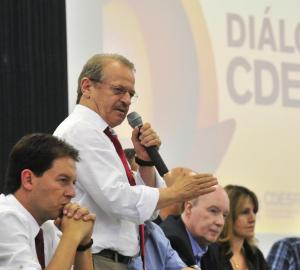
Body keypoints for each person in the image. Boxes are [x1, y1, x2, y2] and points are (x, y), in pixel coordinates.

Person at [54, 53, 217, 270]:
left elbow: (148, 212)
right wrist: (176, 192)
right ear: (87, 87)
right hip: (97, 259)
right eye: (118, 90)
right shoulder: (80, 130)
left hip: (120, 261)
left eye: (131, 94)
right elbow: (116, 199)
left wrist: (145, 160)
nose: (127, 100)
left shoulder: (102, 134)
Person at [0, 133, 96, 270]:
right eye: (63, 180)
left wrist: (83, 244)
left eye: (73, 183)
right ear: (28, 180)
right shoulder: (4, 218)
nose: (72, 193)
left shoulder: (47, 228)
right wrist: (71, 236)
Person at [160, 185, 230, 270]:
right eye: (213, 211)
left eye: (224, 215)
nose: (220, 222)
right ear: (189, 208)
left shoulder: (214, 250)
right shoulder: (169, 240)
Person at [213, 185, 268, 270]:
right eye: (245, 212)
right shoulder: (211, 253)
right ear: (228, 215)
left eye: (254, 211)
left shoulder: (255, 255)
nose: (252, 219)